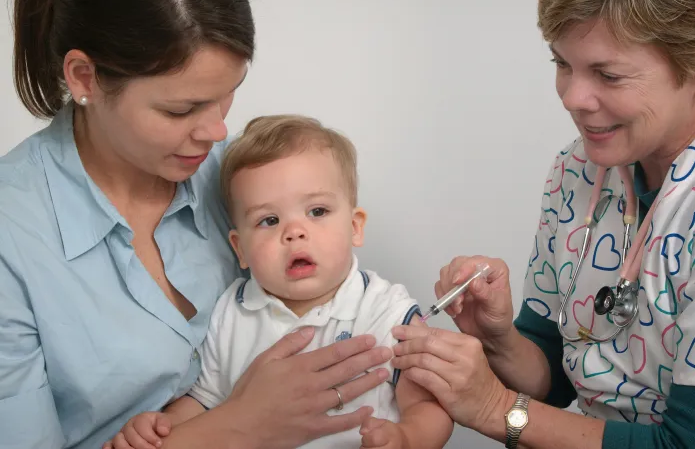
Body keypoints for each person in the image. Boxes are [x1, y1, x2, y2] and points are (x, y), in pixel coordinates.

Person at [0, 0, 394, 448]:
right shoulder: (13, 236)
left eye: (227, 95)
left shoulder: (244, 181)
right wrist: (240, 425)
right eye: (180, 109)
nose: (217, 132)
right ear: (84, 78)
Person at [390, 0, 695, 447]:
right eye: (562, 63)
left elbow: (685, 442)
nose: (572, 97)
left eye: (608, 74)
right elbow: (556, 378)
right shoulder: (578, 170)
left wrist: (494, 409)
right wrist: (498, 337)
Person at [105, 114, 454, 449]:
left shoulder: (384, 309)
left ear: (354, 226)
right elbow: (205, 403)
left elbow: (428, 406)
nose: (294, 232)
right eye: (269, 220)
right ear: (240, 249)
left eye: (317, 211)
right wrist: (161, 429)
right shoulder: (231, 312)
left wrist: (408, 439)